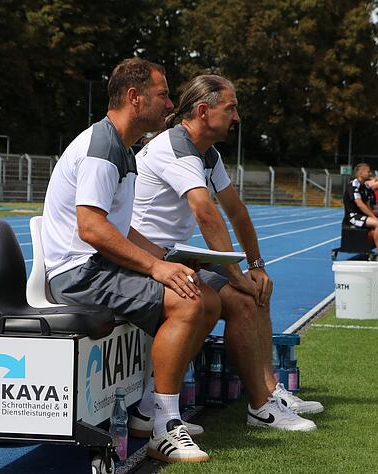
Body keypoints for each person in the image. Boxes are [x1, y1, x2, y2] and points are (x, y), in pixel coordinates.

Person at [41, 58, 219, 463]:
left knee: (204, 295)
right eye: (162, 95)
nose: (170, 104)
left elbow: (118, 229)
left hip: (96, 264)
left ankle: (146, 411)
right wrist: (157, 268)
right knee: (188, 300)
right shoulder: (102, 148)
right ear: (134, 97)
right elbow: (92, 229)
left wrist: (168, 258)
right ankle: (164, 429)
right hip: (79, 272)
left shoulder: (123, 148)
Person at [129, 75, 321, 435]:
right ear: (203, 111)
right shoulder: (176, 147)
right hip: (144, 258)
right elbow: (206, 213)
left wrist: (256, 267)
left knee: (255, 292)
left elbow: (236, 211)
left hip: (174, 258)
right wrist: (237, 276)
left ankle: (267, 396)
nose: (237, 117)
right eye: (231, 108)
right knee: (237, 294)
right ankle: (158, 404)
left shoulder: (207, 153)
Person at [343, 163, 378, 262]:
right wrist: (373, 216)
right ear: (360, 173)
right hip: (353, 216)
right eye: (368, 171)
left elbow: (371, 205)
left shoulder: (365, 187)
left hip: (363, 216)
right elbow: (360, 204)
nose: (370, 173)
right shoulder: (353, 185)